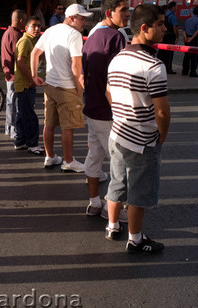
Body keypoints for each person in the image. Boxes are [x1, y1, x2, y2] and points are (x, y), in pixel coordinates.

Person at [105, 3, 170, 253]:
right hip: (142, 140)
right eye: (160, 24)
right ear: (144, 28)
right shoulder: (153, 66)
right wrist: (161, 134)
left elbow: (108, 92)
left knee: (117, 182)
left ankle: (112, 226)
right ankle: (135, 239)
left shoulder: (117, 59)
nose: (165, 29)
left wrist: (122, 113)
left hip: (117, 133)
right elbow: (162, 111)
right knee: (139, 194)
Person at [81, 0, 129, 223]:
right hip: (107, 111)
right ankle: (114, 213)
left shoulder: (92, 36)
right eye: (124, 10)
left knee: (95, 156)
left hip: (91, 107)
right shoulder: (116, 37)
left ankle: (94, 203)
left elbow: (83, 74)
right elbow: (119, 78)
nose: (128, 15)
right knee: (121, 164)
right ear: (110, 13)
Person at [31, 4, 92, 172]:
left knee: (49, 124)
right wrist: (79, 88)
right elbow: (76, 65)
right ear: (71, 18)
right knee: (68, 127)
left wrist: (34, 75)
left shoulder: (51, 30)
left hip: (50, 85)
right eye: (81, 18)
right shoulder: (74, 35)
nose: (84, 22)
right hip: (67, 87)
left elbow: (34, 53)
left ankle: (50, 156)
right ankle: (68, 161)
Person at [13, 16, 44, 155]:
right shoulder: (25, 41)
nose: (37, 29)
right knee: (30, 116)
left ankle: (20, 141)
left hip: (25, 84)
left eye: (39, 26)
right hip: (25, 84)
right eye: (34, 26)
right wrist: (31, 79)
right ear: (26, 28)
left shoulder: (31, 41)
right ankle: (32, 144)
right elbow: (20, 62)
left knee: (23, 114)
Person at [0, 9, 26, 139]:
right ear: (21, 20)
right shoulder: (16, 35)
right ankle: (13, 130)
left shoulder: (7, 33)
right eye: (25, 20)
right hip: (14, 74)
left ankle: (8, 128)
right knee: (14, 104)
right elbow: (19, 57)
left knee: (11, 102)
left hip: (8, 72)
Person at [157, 1, 179, 74]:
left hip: (164, 35)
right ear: (173, 7)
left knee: (162, 53)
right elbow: (175, 27)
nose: (176, 8)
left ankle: (160, 68)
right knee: (169, 53)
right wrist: (177, 36)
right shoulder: (172, 16)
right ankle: (168, 69)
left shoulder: (165, 14)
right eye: (176, 6)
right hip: (170, 36)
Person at [182, 6, 198, 77]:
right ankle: (193, 72)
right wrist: (192, 38)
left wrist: (185, 37)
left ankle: (185, 71)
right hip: (194, 40)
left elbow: (184, 30)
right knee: (194, 56)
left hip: (187, 39)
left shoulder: (188, 20)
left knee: (187, 56)